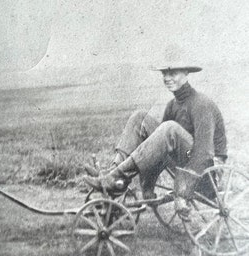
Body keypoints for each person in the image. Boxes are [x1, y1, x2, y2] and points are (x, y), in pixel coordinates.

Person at [85, 63, 227, 218]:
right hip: (185, 163)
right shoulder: (173, 105)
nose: (167, 78)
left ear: (186, 72)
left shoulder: (201, 104)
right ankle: (114, 175)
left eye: (172, 74)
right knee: (139, 118)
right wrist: (148, 187)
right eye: (164, 74)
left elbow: (204, 153)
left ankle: (115, 177)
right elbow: (158, 148)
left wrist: (181, 194)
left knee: (169, 128)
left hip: (207, 176)